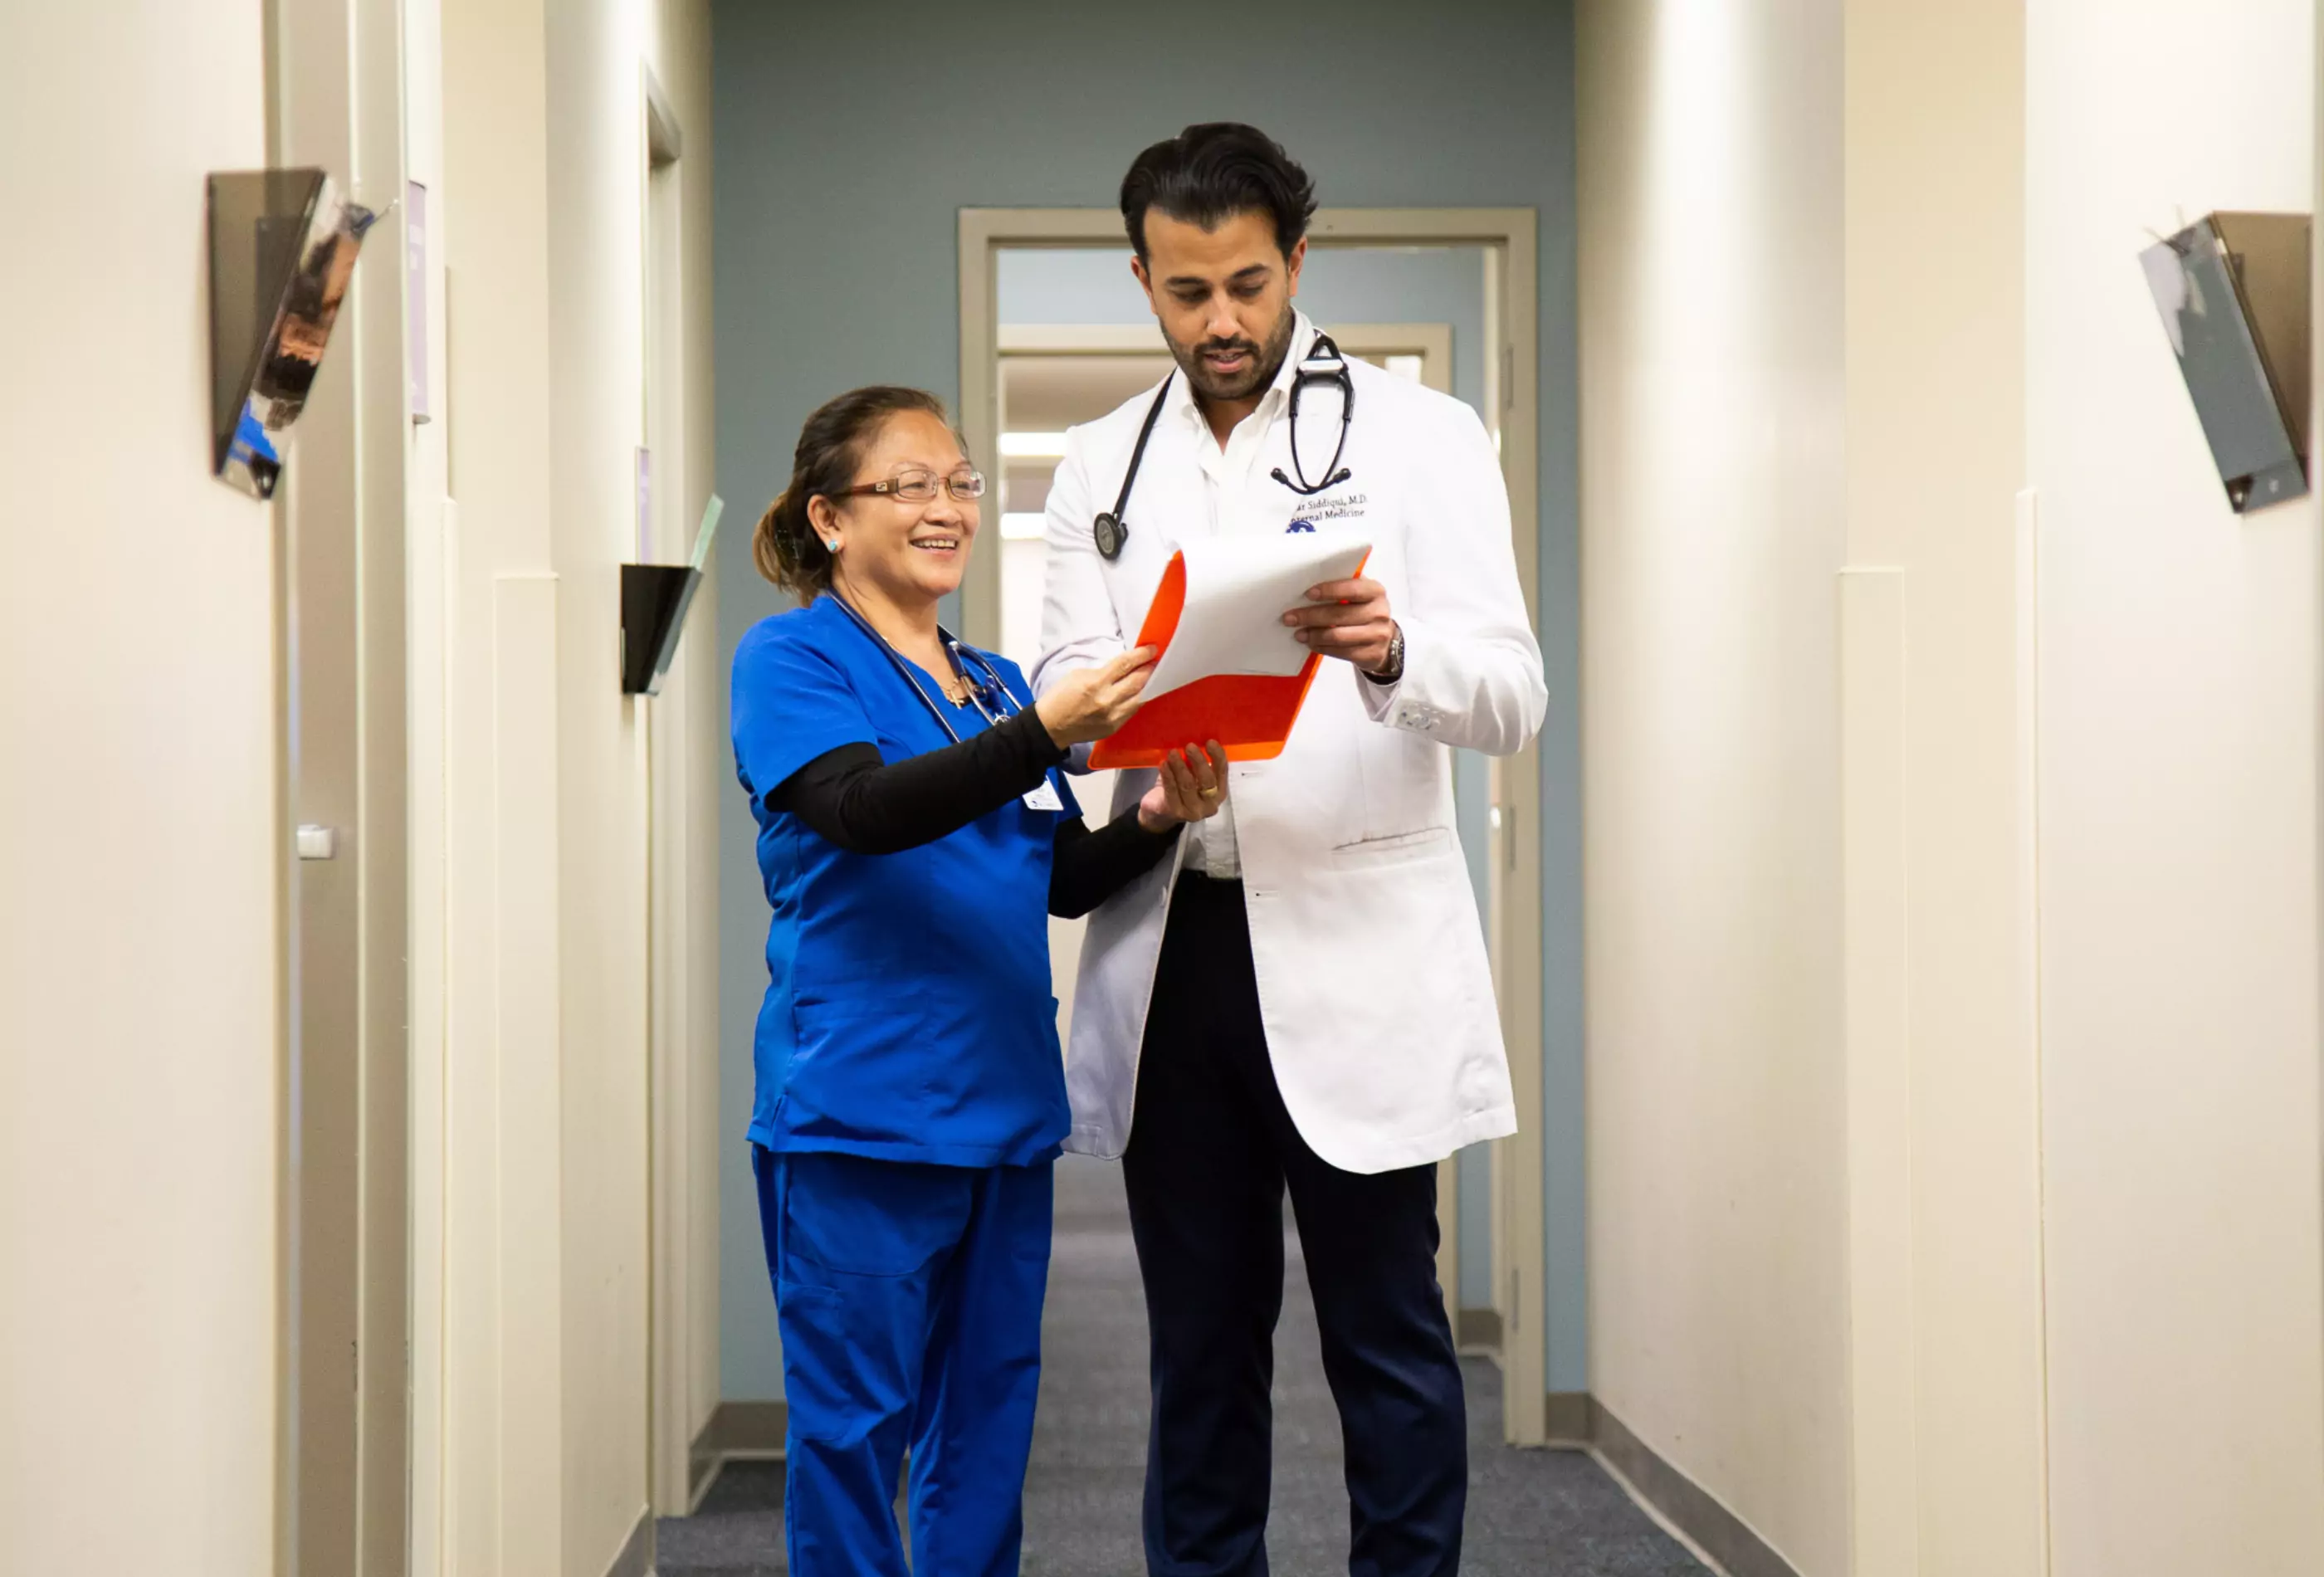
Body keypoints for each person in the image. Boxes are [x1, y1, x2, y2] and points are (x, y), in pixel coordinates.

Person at [1033, 124, 1549, 1575]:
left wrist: (1391, 651)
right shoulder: (1095, 467)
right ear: (1143, 281)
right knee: (1199, 1357)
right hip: (1181, 948)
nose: (1224, 324)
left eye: (1249, 286)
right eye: (1188, 294)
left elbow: (1514, 695)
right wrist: (1134, 755)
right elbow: (1064, 691)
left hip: (1359, 942)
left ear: (1298, 264)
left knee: (1387, 1343)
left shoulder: (1419, 437)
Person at [730, 385, 1229, 1577]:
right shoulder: (791, 656)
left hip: (1002, 1113)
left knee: (988, 1428)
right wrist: (1040, 732)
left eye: (958, 482)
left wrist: (1157, 815)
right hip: (861, 1113)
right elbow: (859, 811)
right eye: (909, 486)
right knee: (856, 1434)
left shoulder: (993, 678)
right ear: (830, 518)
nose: (946, 506)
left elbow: (1054, 878)